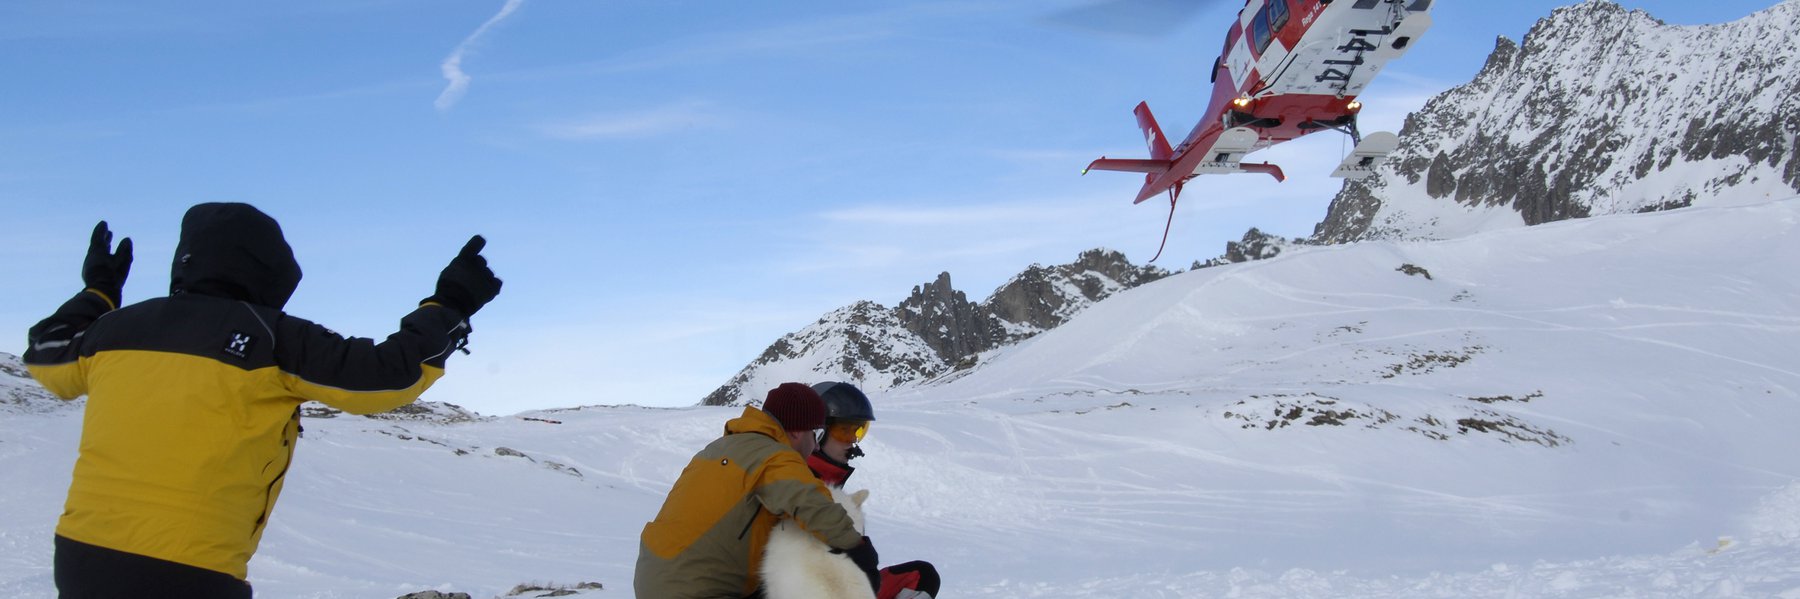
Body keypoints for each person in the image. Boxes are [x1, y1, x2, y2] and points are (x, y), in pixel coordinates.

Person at [23, 203, 502, 598]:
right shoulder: (271, 336)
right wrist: (450, 304)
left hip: (80, 557)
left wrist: (99, 293)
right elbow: (382, 378)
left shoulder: (113, 331)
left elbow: (46, 357)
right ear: (268, 270)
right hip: (190, 572)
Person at [636, 382, 881, 599]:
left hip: (653, 582)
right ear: (797, 430)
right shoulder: (776, 457)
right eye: (815, 434)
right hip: (700, 591)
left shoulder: (718, 448)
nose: (816, 444)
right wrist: (858, 548)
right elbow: (812, 504)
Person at [808, 382, 942, 599]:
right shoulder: (797, 485)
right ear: (818, 432)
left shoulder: (828, 483)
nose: (852, 440)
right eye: (844, 430)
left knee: (920, 576)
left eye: (858, 430)